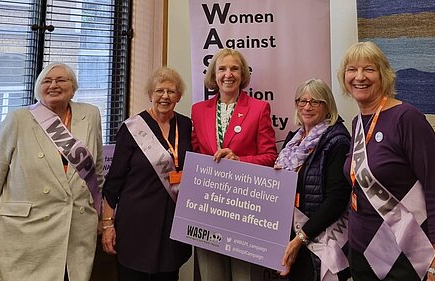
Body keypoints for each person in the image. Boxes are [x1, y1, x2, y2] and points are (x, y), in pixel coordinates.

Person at [337, 41, 435, 281]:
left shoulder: (407, 118)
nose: (360, 77)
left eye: (369, 69)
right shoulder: (358, 123)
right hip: (362, 251)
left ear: (384, 75)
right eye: (352, 69)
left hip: (404, 253)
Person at [0, 62, 104, 281]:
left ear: (73, 87)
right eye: (47, 81)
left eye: (61, 80)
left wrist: (99, 215)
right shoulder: (18, 119)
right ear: (38, 88)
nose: (54, 85)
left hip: (75, 231)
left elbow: (96, 170)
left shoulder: (89, 114)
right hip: (28, 233)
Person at [191, 48, 277, 280]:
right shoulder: (198, 111)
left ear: (242, 74)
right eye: (222, 69)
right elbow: (196, 155)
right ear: (214, 75)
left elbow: (270, 157)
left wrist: (240, 161)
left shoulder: (259, 109)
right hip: (208, 206)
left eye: (234, 68)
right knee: (211, 275)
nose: (228, 74)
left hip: (245, 207)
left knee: (245, 276)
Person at [101, 67, 192, 281]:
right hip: (136, 222)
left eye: (171, 91)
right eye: (159, 91)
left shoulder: (186, 125)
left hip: (172, 221)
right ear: (150, 94)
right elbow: (114, 181)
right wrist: (107, 225)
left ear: (179, 96)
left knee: (168, 276)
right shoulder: (131, 128)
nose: (165, 96)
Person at [276, 79, 351, 281]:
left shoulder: (337, 141)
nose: (307, 107)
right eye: (302, 101)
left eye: (315, 102)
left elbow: (337, 199)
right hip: (293, 236)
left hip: (319, 239)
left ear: (327, 106)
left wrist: (301, 238)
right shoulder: (294, 138)